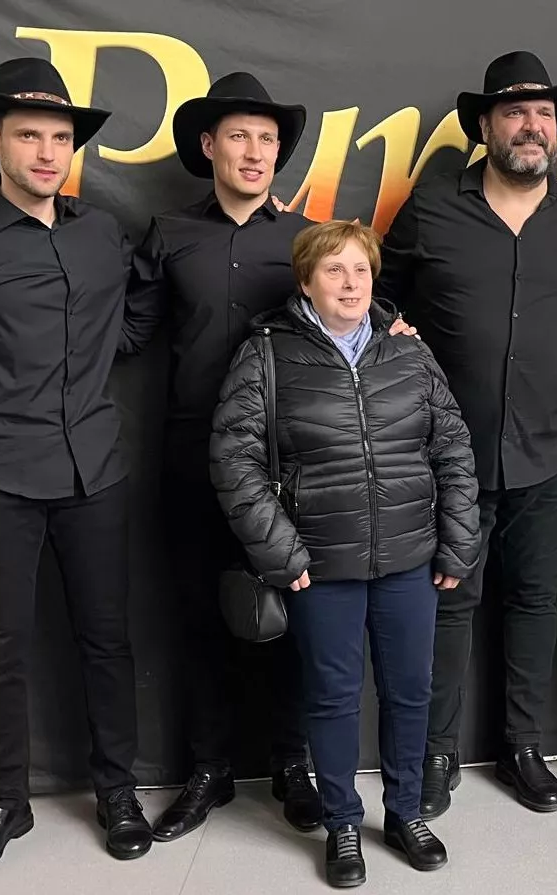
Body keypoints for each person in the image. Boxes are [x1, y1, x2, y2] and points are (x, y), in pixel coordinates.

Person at [0, 58, 152, 879]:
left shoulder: (102, 231)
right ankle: (3, 801)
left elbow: (136, 318)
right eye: (29, 136)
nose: (47, 152)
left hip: (96, 472)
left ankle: (117, 791)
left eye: (59, 137)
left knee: (107, 642)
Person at [209, 220, 481, 887]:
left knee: (410, 692)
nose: (350, 283)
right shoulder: (267, 354)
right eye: (334, 270)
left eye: (360, 269)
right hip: (319, 567)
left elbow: (452, 448)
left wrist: (459, 539)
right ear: (305, 281)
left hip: (409, 557)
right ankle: (340, 822)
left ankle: (407, 811)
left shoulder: (408, 353)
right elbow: (232, 457)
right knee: (330, 698)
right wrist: (283, 552)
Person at [375, 50, 557, 818]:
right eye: (514, 112)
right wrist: (392, 332)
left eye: (543, 114)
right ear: (485, 126)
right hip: (446, 455)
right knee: (449, 602)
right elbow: (375, 293)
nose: (531, 125)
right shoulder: (433, 206)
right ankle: (434, 752)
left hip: (551, 447)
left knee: (535, 601)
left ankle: (522, 747)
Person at [121, 70, 324, 841]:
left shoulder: (304, 239)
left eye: (267, 139)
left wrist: (392, 320)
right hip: (191, 456)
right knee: (199, 617)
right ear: (209, 146)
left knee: (294, 617)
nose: (254, 150)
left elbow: (348, 317)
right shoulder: (169, 234)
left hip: (289, 465)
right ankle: (208, 770)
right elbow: (127, 332)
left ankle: (292, 764)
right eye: (239, 135)